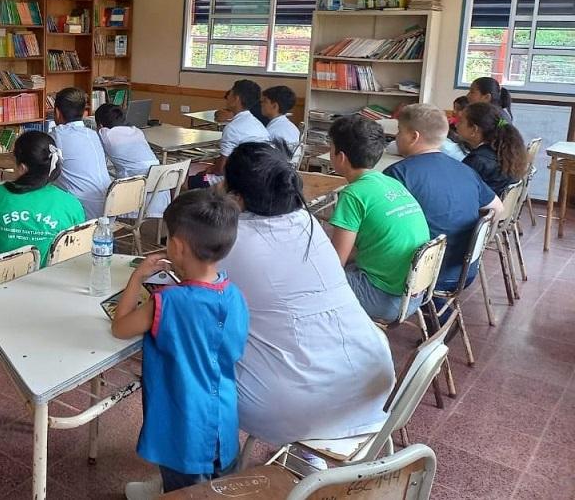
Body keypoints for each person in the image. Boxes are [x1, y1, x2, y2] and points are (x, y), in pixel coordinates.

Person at [219, 142, 394, 447]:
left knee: (182, 355)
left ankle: (195, 479)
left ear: (236, 195)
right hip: (372, 382)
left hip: (295, 406)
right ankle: (312, 457)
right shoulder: (307, 222)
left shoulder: (231, 239)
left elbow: (196, 296)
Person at [112, 190, 248, 497]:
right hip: (222, 420)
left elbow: (120, 327)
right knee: (221, 487)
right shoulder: (234, 294)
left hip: (181, 424)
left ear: (176, 246)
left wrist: (137, 278)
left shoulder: (166, 302)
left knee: (184, 492)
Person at [384, 104, 503, 292]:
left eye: (399, 131)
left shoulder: (398, 174)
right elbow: (497, 208)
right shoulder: (466, 170)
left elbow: (378, 227)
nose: (396, 137)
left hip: (419, 275)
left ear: (414, 137)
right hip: (465, 271)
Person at [327, 115, 431, 322]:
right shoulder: (391, 183)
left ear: (341, 157)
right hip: (416, 291)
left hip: (386, 298)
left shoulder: (353, 194)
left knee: (313, 285)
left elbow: (335, 263)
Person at [0, 131, 85, 267]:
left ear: (23, 168)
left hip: (3, 280)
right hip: (52, 280)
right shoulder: (71, 203)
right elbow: (78, 250)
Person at [95, 104, 169, 218]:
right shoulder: (137, 131)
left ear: (100, 124)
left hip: (134, 191)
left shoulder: (105, 134)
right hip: (158, 187)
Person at [50, 87, 112, 218]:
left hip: (81, 211)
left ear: (56, 112)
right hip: (110, 208)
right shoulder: (94, 134)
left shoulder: (57, 136)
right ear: (84, 113)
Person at [457, 102, 527, 198]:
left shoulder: (477, 160)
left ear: (474, 129)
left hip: (480, 211)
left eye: (460, 121)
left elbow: (458, 195)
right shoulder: (506, 154)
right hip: (497, 210)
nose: (456, 125)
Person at [209, 79, 270, 176]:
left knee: (189, 180)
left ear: (236, 99)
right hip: (260, 177)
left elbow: (221, 170)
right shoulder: (259, 125)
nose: (227, 97)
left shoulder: (232, 128)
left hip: (236, 181)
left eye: (230, 94)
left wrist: (212, 169)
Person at [260, 85, 300, 152]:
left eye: (265, 101)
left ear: (275, 106)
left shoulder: (272, 133)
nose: (261, 104)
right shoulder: (293, 128)